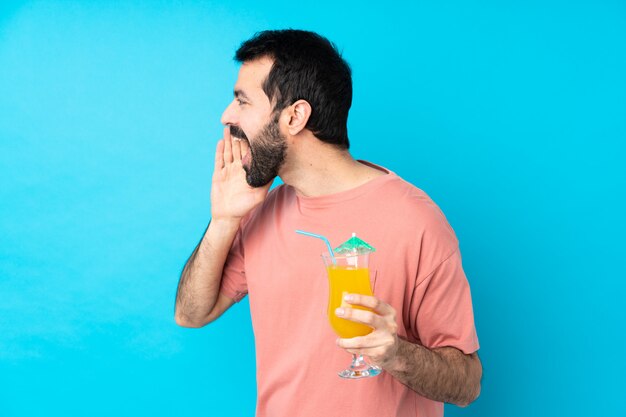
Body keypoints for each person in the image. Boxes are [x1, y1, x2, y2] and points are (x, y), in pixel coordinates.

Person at [175, 29, 482, 417]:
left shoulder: (416, 220)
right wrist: (223, 219)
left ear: (294, 117)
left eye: (242, 101)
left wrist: (396, 353)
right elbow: (191, 313)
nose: (226, 116)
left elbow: (468, 384)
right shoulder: (262, 212)